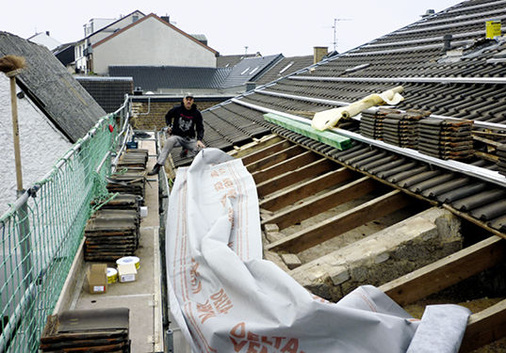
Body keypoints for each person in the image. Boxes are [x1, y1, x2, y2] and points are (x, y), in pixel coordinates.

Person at [148, 93, 205, 175]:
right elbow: (168, 116)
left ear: (193, 101)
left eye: (190, 99)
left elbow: (200, 128)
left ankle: (197, 171)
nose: (188, 101)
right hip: (177, 137)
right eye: (187, 99)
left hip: (189, 139)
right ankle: (158, 166)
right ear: (183, 100)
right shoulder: (177, 109)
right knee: (169, 142)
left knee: (201, 151)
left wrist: (199, 140)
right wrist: (169, 125)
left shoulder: (196, 113)